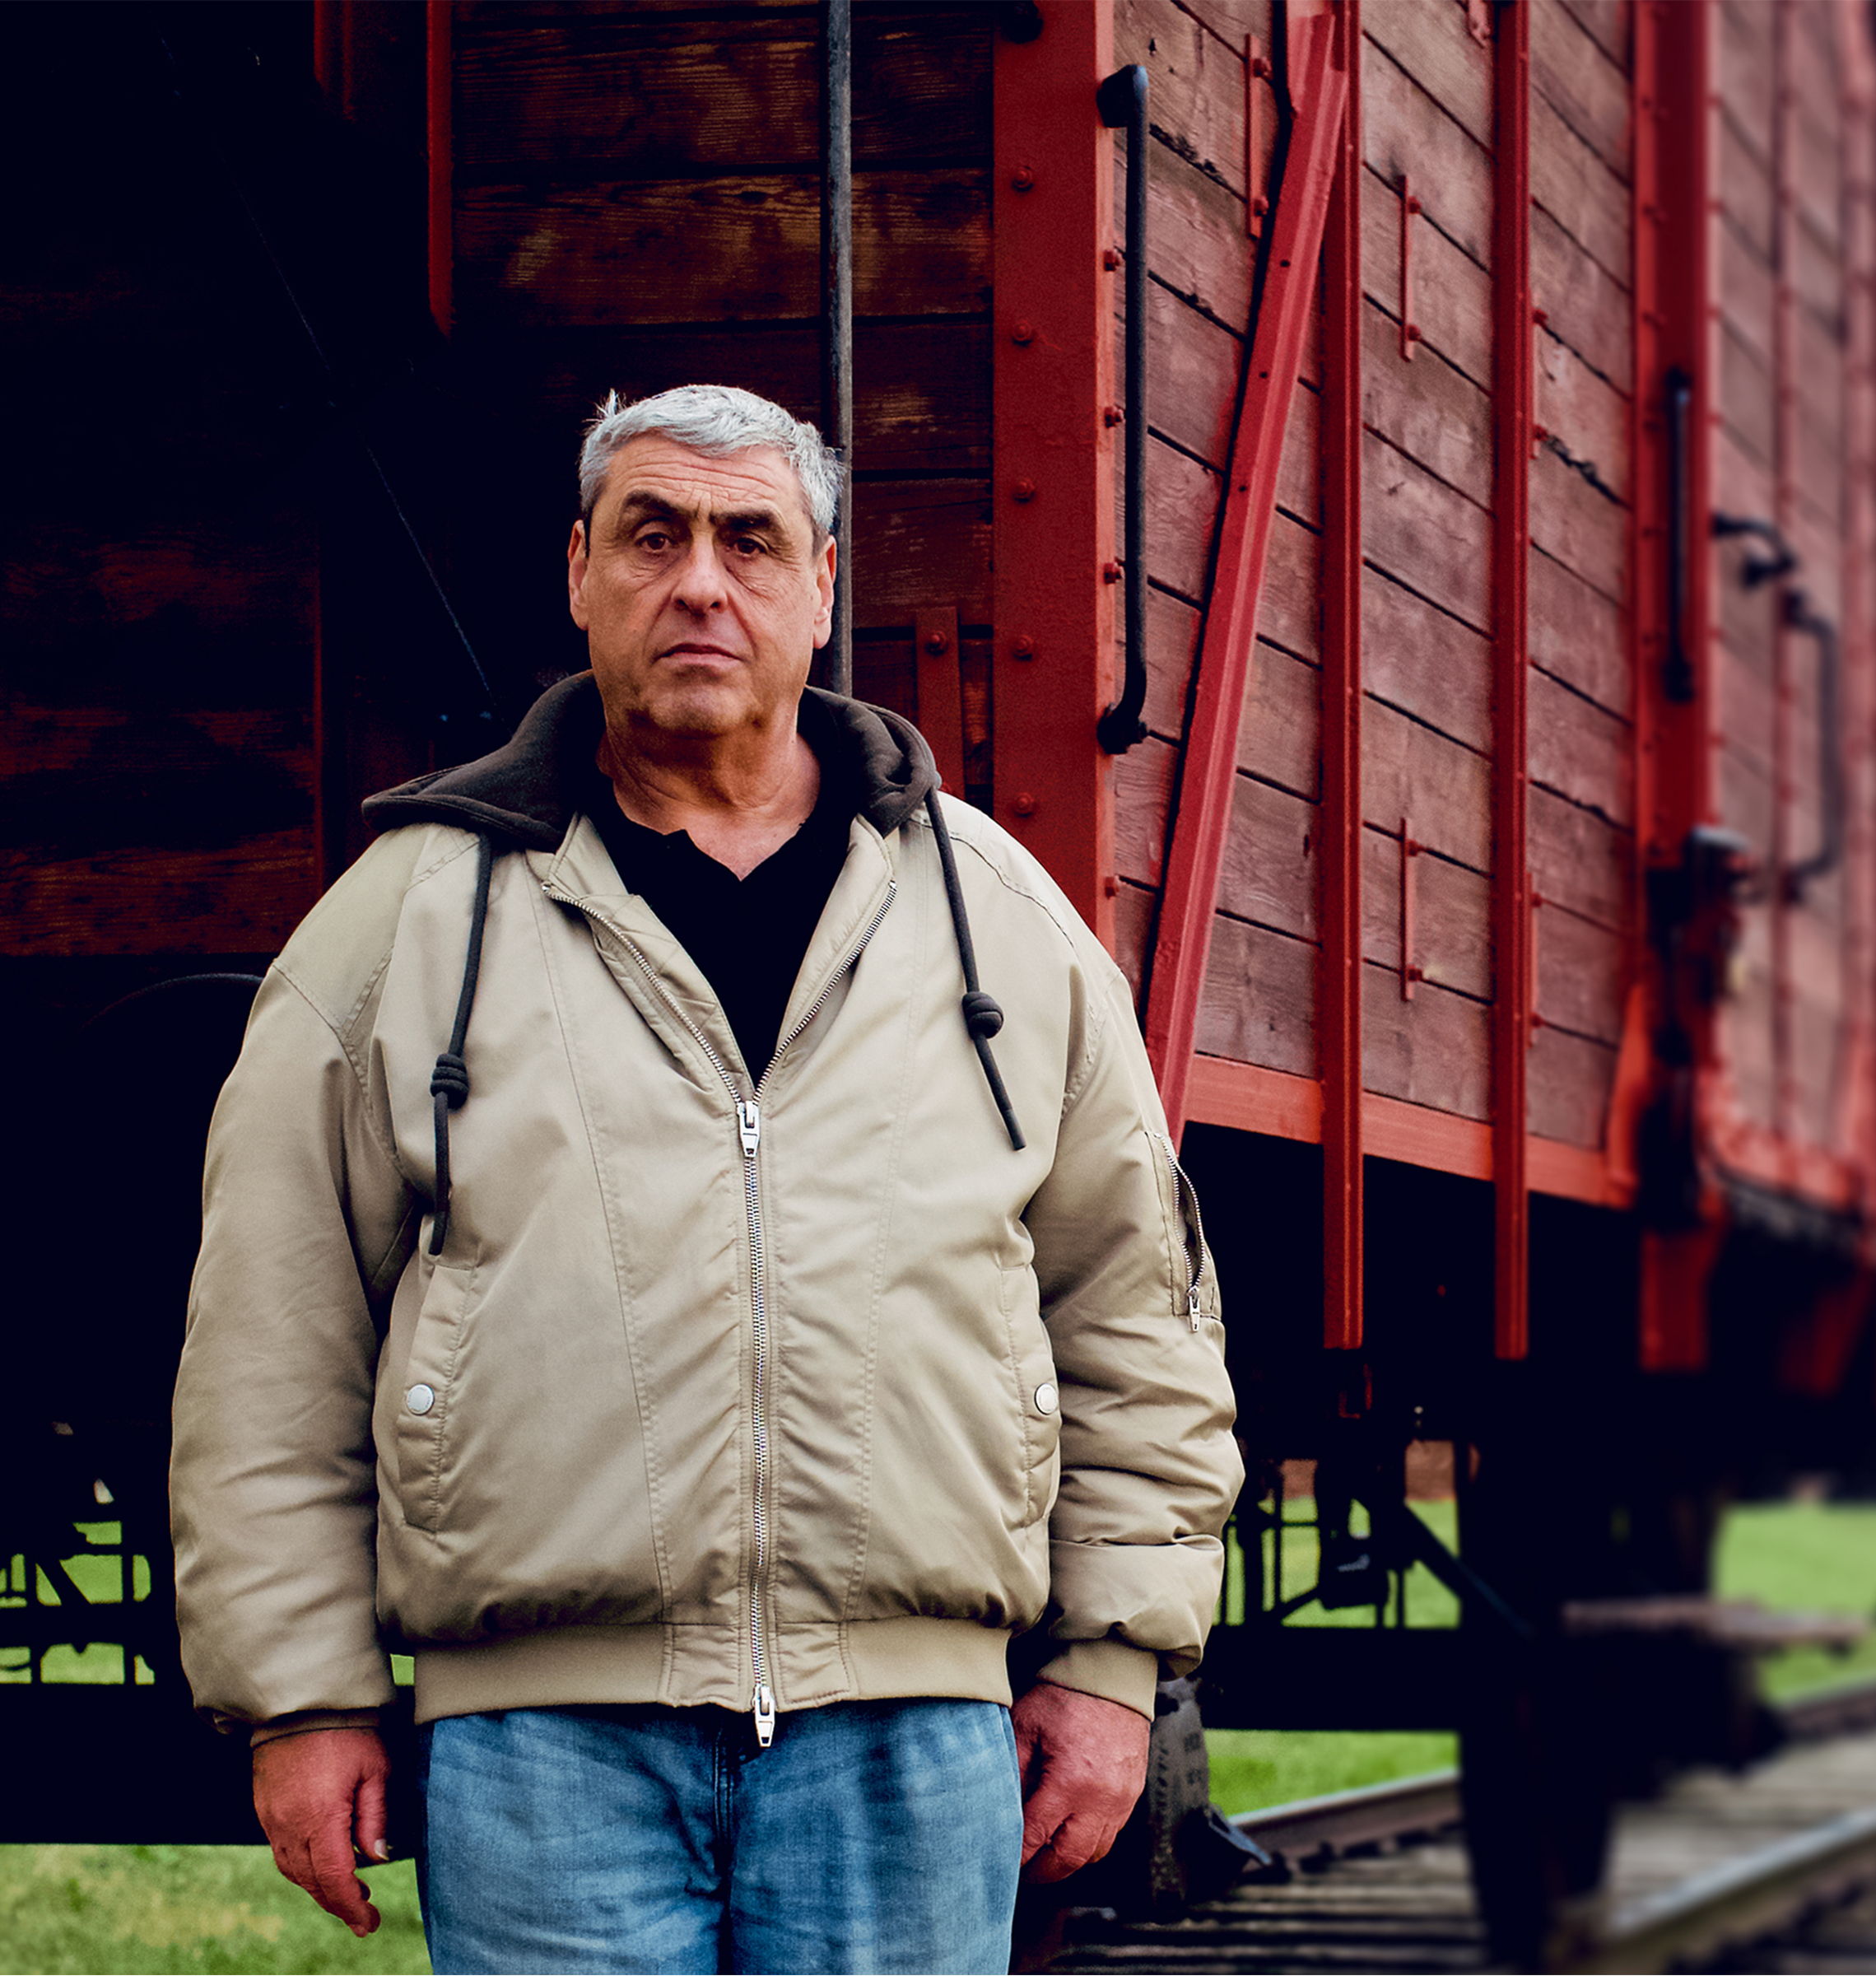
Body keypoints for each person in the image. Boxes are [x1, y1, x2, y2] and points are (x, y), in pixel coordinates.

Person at [170, 383, 1242, 1974]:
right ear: (580, 575)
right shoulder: (403, 924)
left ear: (822, 586)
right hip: (543, 1750)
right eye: (652, 536)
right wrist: (304, 1697)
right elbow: (272, 1341)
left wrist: (1109, 1663)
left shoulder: (997, 921)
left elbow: (1137, 1322)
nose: (700, 583)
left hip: (907, 1740)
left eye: (750, 541)